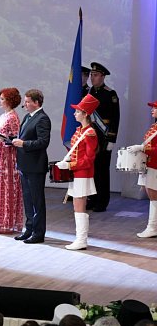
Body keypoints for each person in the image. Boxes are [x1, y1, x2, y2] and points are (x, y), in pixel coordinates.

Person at [55, 94, 100, 250]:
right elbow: (75, 152)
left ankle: (81, 240)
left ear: (85, 114)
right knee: (76, 205)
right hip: (76, 173)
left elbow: (89, 159)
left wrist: (70, 166)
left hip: (83, 174)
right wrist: (67, 162)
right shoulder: (80, 130)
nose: (74, 114)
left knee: (79, 206)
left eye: (78, 111)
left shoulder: (90, 133)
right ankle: (80, 239)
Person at [11, 89, 51, 244]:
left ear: (36, 102)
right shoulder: (28, 117)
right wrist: (8, 140)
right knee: (28, 200)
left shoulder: (42, 119)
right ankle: (29, 229)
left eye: (27, 102)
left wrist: (24, 144)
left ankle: (38, 233)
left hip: (35, 166)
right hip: (25, 165)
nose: (24, 104)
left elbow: (43, 142)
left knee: (37, 201)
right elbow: (23, 137)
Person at [0, 87, 23, 234]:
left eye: (2, 99)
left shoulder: (12, 117)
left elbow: (13, 138)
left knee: (6, 188)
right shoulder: (4, 116)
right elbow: (2, 136)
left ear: (9, 101)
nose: (0, 102)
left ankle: (7, 222)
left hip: (8, 157)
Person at [86, 62, 120, 212]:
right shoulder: (89, 93)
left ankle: (102, 201)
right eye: (91, 75)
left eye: (95, 75)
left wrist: (111, 139)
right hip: (91, 136)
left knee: (102, 170)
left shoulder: (110, 94)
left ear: (102, 76)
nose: (92, 78)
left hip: (104, 136)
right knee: (91, 169)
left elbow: (115, 118)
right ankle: (92, 199)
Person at [129, 100, 157, 238]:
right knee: (152, 195)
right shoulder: (154, 126)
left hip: (155, 164)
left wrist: (142, 148)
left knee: (154, 196)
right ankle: (152, 226)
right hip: (150, 164)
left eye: (155, 108)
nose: (152, 110)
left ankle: (152, 227)